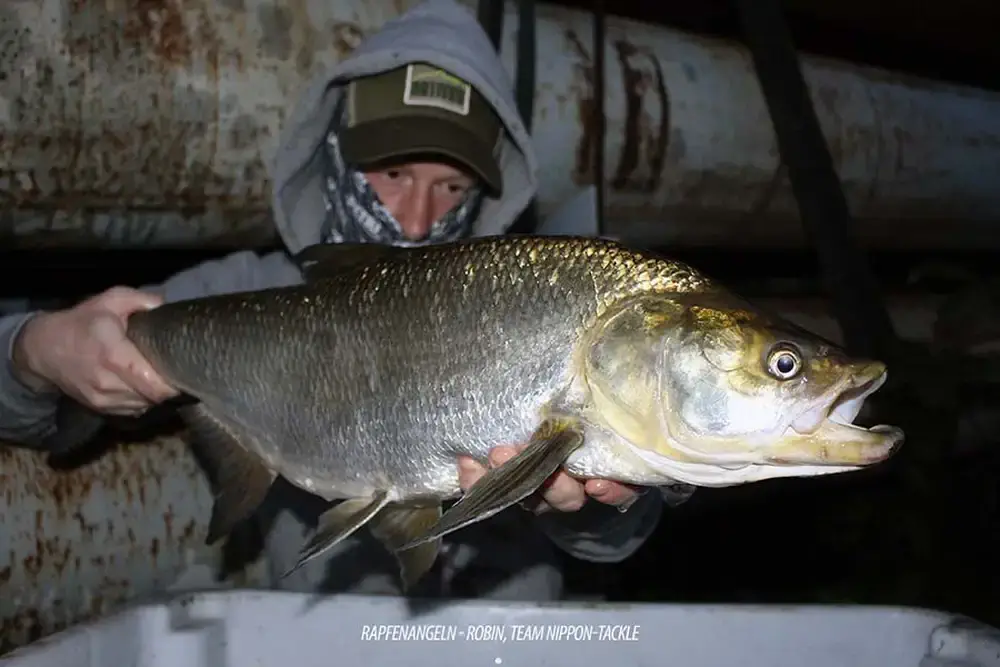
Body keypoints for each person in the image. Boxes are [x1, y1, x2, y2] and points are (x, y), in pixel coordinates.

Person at [0, 0, 662, 599]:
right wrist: (34, 352)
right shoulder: (246, 295)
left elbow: (622, 536)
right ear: (339, 156)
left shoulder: (539, 297)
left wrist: (577, 507)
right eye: (394, 173)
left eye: (452, 186)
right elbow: (32, 402)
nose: (415, 218)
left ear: (487, 192)